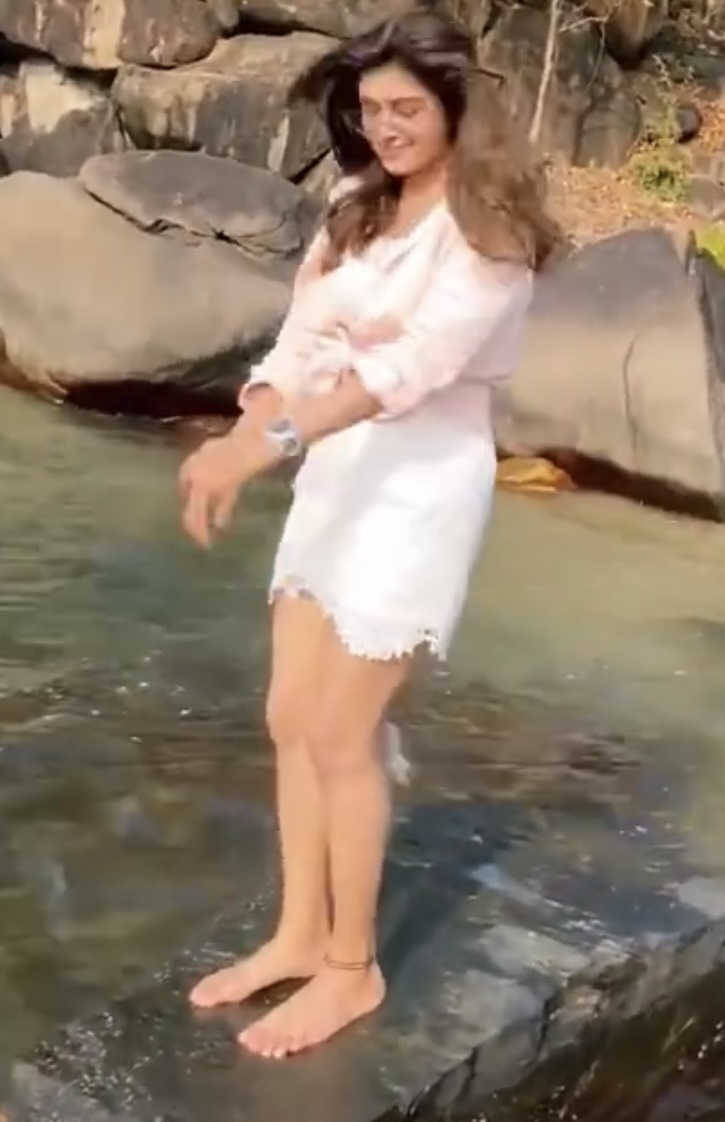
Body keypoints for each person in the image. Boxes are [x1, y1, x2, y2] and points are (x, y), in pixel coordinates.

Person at [178, 5, 560, 1060]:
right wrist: (241, 435)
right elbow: (301, 344)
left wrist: (263, 448)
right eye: (369, 108)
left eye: (405, 108)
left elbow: (404, 374)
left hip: (420, 489)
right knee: (288, 716)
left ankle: (352, 968)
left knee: (342, 732)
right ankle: (300, 932)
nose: (383, 126)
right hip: (336, 475)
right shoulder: (357, 205)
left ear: (455, 106)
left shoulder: (490, 233)